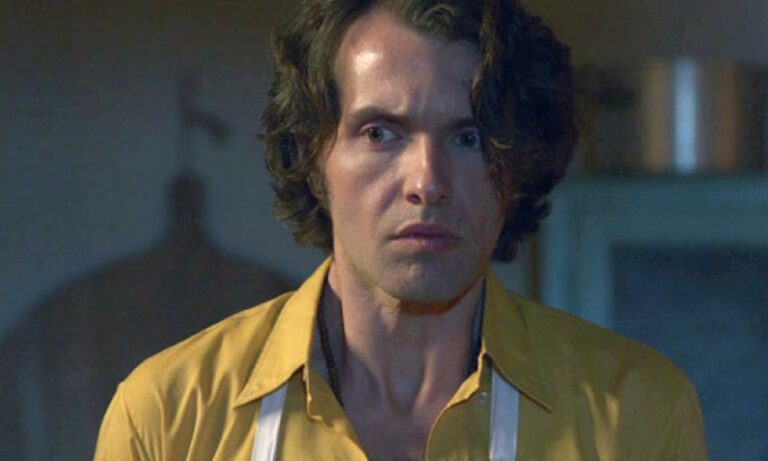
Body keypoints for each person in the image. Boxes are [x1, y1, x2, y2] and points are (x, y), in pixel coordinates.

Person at [94, 0, 709, 459]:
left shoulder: (634, 412)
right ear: (311, 157)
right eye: (380, 133)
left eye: (469, 138)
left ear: (517, 165)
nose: (427, 182)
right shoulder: (171, 416)